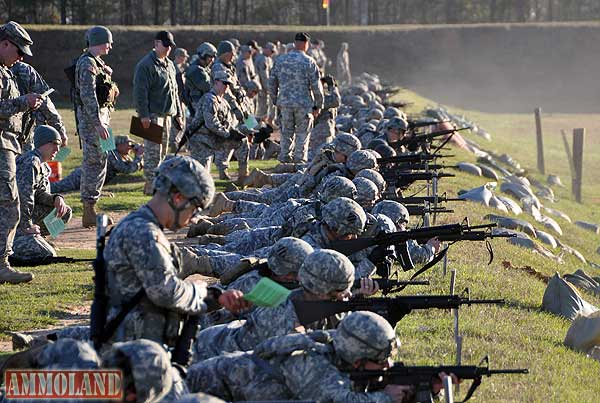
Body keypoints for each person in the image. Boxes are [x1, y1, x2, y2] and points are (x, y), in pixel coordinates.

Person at [102, 155, 250, 347]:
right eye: (195, 208)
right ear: (178, 198)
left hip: (140, 342)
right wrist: (199, 289)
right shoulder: (143, 233)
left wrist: (216, 297)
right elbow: (165, 291)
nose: (195, 218)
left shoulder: (142, 227)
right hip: (134, 350)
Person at [186, 311, 453, 402]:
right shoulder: (310, 360)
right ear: (357, 356)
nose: (388, 366)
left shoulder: (338, 355)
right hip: (189, 392)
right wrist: (386, 397)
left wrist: (428, 387)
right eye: (380, 360)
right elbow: (339, 400)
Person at [192, 248, 355, 362]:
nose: (343, 297)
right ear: (321, 290)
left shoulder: (303, 300)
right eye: (339, 293)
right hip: (203, 356)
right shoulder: (280, 317)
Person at [0, 21, 43, 284]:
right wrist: (22, 102)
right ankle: (2, 264)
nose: (21, 58)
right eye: (19, 51)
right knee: (8, 205)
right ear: (4, 44)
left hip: (7, 142)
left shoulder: (5, 71)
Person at [74, 25, 119, 227]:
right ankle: (89, 211)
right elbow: (88, 95)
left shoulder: (98, 63)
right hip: (94, 123)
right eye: (108, 42)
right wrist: (98, 123)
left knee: (103, 159)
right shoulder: (87, 64)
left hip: (103, 120)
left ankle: (93, 204)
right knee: (93, 163)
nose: (110, 46)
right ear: (99, 42)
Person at [133, 30, 183, 195]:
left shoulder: (169, 64)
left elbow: (174, 91)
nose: (168, 49)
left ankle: (157, 184)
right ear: (156, 44)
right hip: (152, 115)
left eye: (170, 46)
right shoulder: (146, 65)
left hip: (167, 115)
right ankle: (150, 186)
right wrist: (144, 115)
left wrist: (177, 114)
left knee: (162, 152)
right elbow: (140, 92)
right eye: (165, 45)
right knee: (152, 153)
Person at [13, 125, 72, 262]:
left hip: (23, 216)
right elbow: (23, 198)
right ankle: (12, 246)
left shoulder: (42, 164)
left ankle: (35, 240)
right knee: (47, 254)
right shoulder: (30, 162)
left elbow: (38, 193)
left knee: (64, 212)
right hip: (11, 218)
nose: (58, 149)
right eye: (55, 144)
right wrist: (26, 226)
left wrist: (55, 199)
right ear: (43, 143)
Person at [269, 32, 323, 164]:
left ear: (295, 43)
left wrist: (276, 100)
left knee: (286, 133)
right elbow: (317, 86)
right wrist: (318, 105)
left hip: (285, 104)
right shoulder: (309, 62)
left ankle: (284, 162)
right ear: (306, 44)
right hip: (303, 105)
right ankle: (299, 163)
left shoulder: (280, 60)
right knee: (302, 135)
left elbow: (272, 83)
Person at [186, 70, 244, 174]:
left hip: (211, 140)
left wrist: (235, 133)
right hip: (200, 140)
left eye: (228, 84)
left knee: (242, 143)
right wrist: (228, 134)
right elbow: (211, 123)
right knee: (201, 174)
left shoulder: (224, 102)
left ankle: (241, 175)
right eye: (224, 83)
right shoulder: (209, 99)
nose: (227, 86)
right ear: (216, 82)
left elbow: (228, 122)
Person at [211, 40, 252, 182]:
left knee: (240, 137)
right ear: (224, 54)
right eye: (230, 53)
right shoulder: (218, 68)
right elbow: (226, 91)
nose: (233, 56)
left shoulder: (230, 66)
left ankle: (241, 171)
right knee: (234, 139)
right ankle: (235, 171)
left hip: (238, 107)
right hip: (228, 109)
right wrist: (236, 108)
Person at [50, 135, 143, 194]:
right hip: (82, 176)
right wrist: (138, 156)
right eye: (128, 144)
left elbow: (132, 166)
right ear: (119, 145)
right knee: (56, 188)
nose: (130, 147)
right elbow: (125, 169)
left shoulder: (120, 155)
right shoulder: (111, 154)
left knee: (57, 187)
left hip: (88, 177)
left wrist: (138, 155)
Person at [11, 61, 67, 152]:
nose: (20, 57)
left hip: (24, 134)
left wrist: (59, 129)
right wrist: (60, 130)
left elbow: (42, 99)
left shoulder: (23, 70)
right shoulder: (23, 69)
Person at [308, 75, 341, 160]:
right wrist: (332, 87)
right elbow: (336, 101)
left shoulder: (313, 95)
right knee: (319, 157)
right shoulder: (317, 98)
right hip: (320, 132)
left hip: (322, 132)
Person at [184, 42, 217, 118]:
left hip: (203, 104)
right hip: (197, 105)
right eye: (210, 57)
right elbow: (208, 87)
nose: (212, 60)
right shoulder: (196, 70)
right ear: (203, 56)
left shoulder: (205, 69)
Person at [254, 41, 276, 124]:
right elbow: (264, 76)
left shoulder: (268, 59)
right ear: (266, 49)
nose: (272, 53)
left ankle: (261, 126)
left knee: (265, 107)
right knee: (261, 109)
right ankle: (257, 127)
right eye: (271, 51)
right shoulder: (262, 59)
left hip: (264, 88)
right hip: (261, 88)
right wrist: (268, 88)